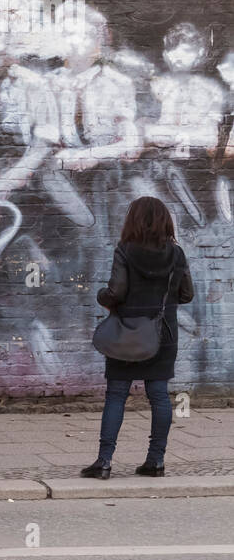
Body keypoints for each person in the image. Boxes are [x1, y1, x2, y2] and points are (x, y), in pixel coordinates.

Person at [81, 196, 194, 479]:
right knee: (158, 395)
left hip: (127, 332)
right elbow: (186, 294)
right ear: (165, 221)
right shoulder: (177, 254)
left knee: (116, 395)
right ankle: (155, 461)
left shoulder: (125, 250)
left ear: (133, 220)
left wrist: (102, 297)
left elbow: (116, 291)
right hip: (163, 333)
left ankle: (104, 462)